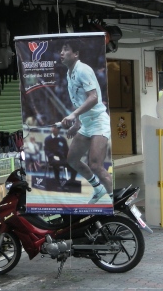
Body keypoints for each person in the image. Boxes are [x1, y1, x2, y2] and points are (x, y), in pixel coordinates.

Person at [59, 40, 113, 204]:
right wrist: (77, 125)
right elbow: (78, 100)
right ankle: (98, 189)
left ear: (76, 54)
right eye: (61, 49)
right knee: (72, 160)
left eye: (66, 49)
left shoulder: (83, 70)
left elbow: (94, 97)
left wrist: (73, 115)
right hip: (86, 124)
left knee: (96, 165)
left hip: (98, 122)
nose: (61, 52)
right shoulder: (69, 73)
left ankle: (114, 203)